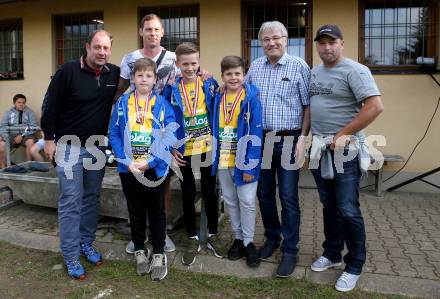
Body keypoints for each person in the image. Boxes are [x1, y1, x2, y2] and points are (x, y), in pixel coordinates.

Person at [308, 24, 383, 292]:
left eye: (332, 42)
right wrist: (302, 139)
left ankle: (354, 265)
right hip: (319, 150)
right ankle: (331, 253)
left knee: (348, 208)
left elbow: (375, 106)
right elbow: (311, 107)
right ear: (317, 45)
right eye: (322, 43)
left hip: (345, 151)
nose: (326, 47)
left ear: (342, 43)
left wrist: (343, 134)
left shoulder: (355, 70)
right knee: (329, 206)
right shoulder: (315, 72)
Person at [41, 30, 120, 280]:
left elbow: (143, 74)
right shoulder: (67, 71)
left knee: (91, 198)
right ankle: (71, 254)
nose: (102, 52)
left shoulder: (113, 73)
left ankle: (86, 242)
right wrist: (49, 139)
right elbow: (49, 105)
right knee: (71, 201)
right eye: (97, 47)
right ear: (87, 47)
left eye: (106, 48)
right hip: (68, 146)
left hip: (96, 147)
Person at [245, 21, 310, 277]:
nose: (271, 43)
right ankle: (272, 238)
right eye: (266, 39)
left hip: (289, 139)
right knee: (264, 194)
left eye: (276, 38)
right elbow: (241, 92)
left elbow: (308, 105)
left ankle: (290, 250)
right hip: (261, 140)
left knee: (288, 196)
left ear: (285, 39)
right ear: (261, 43)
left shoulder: (299, 67)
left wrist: (303, 138)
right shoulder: (255, 67)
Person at [116, 14, 178, 255]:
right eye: (148, 29)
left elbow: (190, 73)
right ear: (141, 31)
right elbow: (120, 87)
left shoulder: (172, 58)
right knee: (136, 192)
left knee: (161, 186)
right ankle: (138, 236)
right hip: (134, 127)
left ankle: (162, 235)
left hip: (161, 126)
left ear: (161, 32)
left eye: (156, 29)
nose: (152, 33)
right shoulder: (130, 58)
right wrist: (114, 111)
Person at [109, 58, 175, 281]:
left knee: (156, 212)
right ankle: (139, 249)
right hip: (129, 168)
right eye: (140, 75)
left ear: (155, 79)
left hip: (154, 169)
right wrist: (125, 160)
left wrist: (152, 162)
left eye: (149, 75)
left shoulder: (163, 104)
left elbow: (169, 135)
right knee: (135, 211)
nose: (144, 79)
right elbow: (114, 134)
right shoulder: (122, 103)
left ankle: (158, 252)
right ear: (133, 78)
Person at [163, 42, 225, 265]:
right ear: (178, 64)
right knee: (188, 193)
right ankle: (191, 237)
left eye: (194, 63)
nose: (190, 68)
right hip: (183, 149)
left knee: (210, 191)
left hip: (207, 146)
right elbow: (165, 121)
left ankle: (212, 234)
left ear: (199, 63)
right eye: (185, 64)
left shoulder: (209, 83)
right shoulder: (171, 90)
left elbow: (221, 105)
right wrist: (170, 148)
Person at [211, 56, 263, 268]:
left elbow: (257, 132)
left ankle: (250, 242)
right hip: (224, 159)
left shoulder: (251, 99)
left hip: (244, 161)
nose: (233, 77)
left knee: (248, 202)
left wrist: (250, 164)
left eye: (237, 73)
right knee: (230, 201)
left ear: (244, 75)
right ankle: (239, 238)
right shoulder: (217, 97)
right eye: (229, 74)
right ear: (222, 76)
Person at [0, 94, 39, 168]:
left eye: (23, 102)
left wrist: (22, 135)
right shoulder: (9, 112)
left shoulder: (29, 112)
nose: (21, 104)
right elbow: (3, 126)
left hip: (26, 134)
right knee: (1, 144)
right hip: (11, 135)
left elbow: (33, 127)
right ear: (14, 103)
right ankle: (3, 168)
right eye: (19, 102)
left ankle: (29, 167)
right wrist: (6, 137)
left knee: (30, 142)